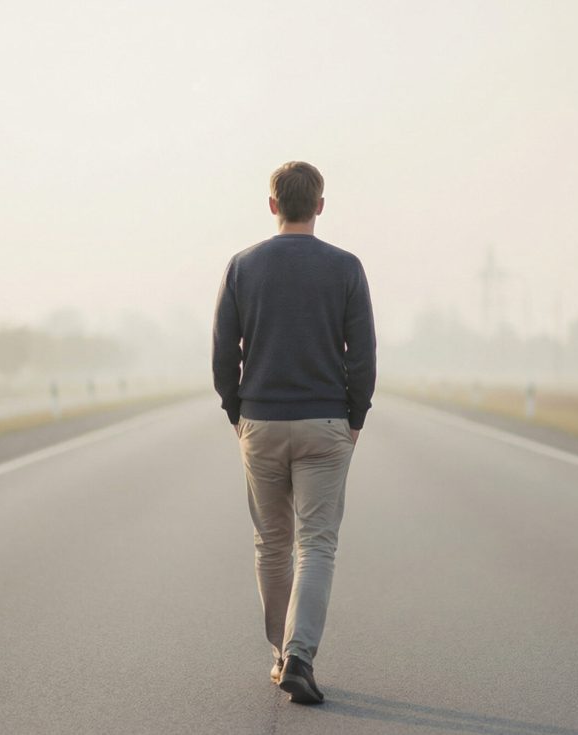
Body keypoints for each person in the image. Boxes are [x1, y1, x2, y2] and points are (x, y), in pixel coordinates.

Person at [211, 161, 377, 704]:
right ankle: (300, 654)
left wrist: (238, 414)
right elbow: (364, 356)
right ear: (321, 206)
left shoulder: (241, 267)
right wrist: (355, 417)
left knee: (272, 544)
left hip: (260, 421)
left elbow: (221, 355)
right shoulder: (346, 268)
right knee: (317, 544)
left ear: (272, 204)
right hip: (325, 422)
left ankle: (281, 655)